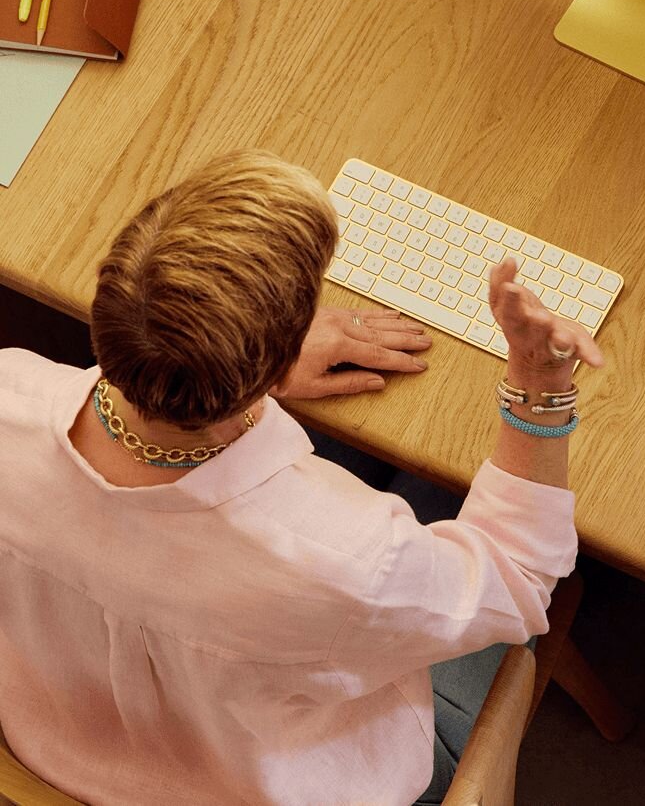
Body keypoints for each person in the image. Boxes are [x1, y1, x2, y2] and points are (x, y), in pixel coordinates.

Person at [0, 150, 603, 804]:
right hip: (294, 778)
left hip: (63, 738)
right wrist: (538, 385)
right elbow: (517, 579)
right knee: (447, 475)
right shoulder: (341, 559)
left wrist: (252, 369)